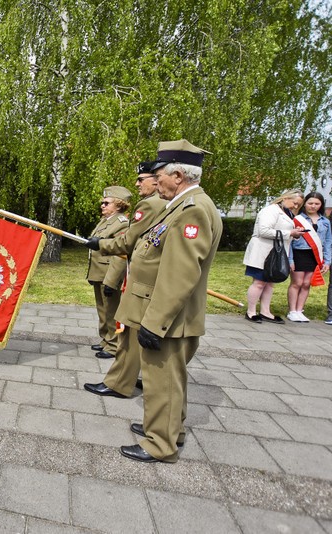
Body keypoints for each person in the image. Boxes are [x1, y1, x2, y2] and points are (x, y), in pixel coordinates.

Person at [96, 139, 221, 463]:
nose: (155, 181)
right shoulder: (184, 206)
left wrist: (155, 322)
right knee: (169, 382)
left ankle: (159, 444)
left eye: (159, 174)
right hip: (170, 314)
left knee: (162, 382)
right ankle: (169, 431)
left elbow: (179, 274)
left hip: (170, 317)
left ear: (177, 175)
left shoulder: (191, 210)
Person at [84, 161, 167, 398]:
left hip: (141, 279)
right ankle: (127, 378)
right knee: (125, 327)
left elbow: (125, 246)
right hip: (144, 276)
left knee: (127, 329)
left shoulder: (150, 205)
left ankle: (120, 382)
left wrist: (100, 246)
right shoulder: (167, 204)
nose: (138, 183)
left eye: (142, 179)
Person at [242, 189, 305, 324]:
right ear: (285, 198)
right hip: (263, 251)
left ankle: (265, 311)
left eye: (298, 205)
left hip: (274, 253)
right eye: (295, 203)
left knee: (270, 283)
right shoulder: (270, 210)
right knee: (259, 282)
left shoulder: (285, 213)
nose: (296, 207)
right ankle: (251, 311)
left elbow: (283, 232)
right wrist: (290, 233)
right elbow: (264, 231)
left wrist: (294, 234)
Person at [85, 186, 132, 359]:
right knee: (102, 310)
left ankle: (114, 345)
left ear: (119, 205)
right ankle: (106, 339)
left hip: (109, 275)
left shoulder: (122, 224)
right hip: (99, 272)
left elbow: (120, 254)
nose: (102, 206)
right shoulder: (105, 221)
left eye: (107, 203)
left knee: (112, 311)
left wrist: (112, 281)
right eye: (102, 203)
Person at [287, 192, 331, 322]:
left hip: (315, 255)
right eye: (310, 203)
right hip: (299, 253)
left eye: (317, 204)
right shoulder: (297, 219)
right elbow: (289, 241)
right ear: (304, 204)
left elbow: (328, 242)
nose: (313, 206)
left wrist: (327, 261)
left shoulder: (325, 221)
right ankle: (292, 311)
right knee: (297, 283)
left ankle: (300, 310)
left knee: (306, 284)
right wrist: (290, 259)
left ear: (321, 205)